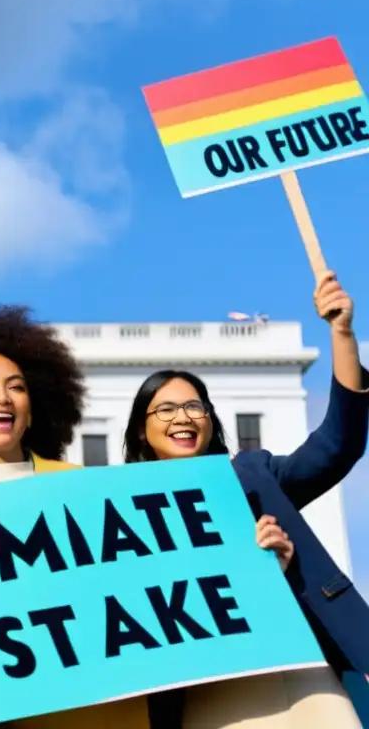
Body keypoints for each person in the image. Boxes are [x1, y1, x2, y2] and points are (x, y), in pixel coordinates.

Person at [0, 307, 295, 729]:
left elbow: (162, 585)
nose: (3, 398)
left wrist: (251, 565)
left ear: (33, 407)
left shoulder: (88, 489)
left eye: (16, 386)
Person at [121, 270, 369, 728]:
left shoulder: (253, 475)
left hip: (302, 675)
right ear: (142, 428)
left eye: (196, 406)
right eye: (166, 409)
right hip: (210, 689)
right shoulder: (122, 512)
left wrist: (341, 333)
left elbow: (337, 447)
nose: (184, 417)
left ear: (211, 420)